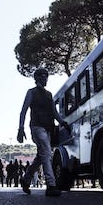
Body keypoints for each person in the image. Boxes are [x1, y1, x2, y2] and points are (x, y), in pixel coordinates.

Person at [17, 67, 71, 197]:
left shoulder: (49, 94)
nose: (44, 78)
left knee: (41, 157)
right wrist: (21, 128)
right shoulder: (31, 92)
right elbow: (23, 110)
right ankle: (51, 185)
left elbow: (54, 112)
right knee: (47, 153)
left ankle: (26, 179)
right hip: (37, 127)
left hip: (48, 129)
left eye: (46, 76)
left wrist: (63, 123)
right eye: (41, 76)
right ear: (36, 78)